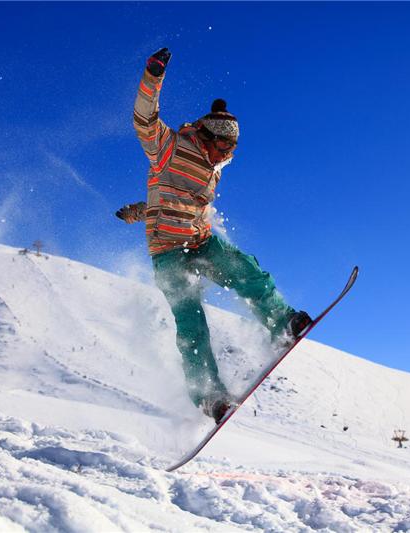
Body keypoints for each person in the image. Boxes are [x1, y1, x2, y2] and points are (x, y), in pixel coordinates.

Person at [117, 48, 311, 424]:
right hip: (168, 252)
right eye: (223, 146)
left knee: (246, 271)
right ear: (206, 137)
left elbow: (173, 197)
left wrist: (141, 210)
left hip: (200, 240)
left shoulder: (215, 165)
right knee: (191, 322)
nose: (226, 154)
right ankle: (208, 395)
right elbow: (144, 119)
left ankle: (282, 322)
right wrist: (152, 75)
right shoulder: (168, 148)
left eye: (232, 149)